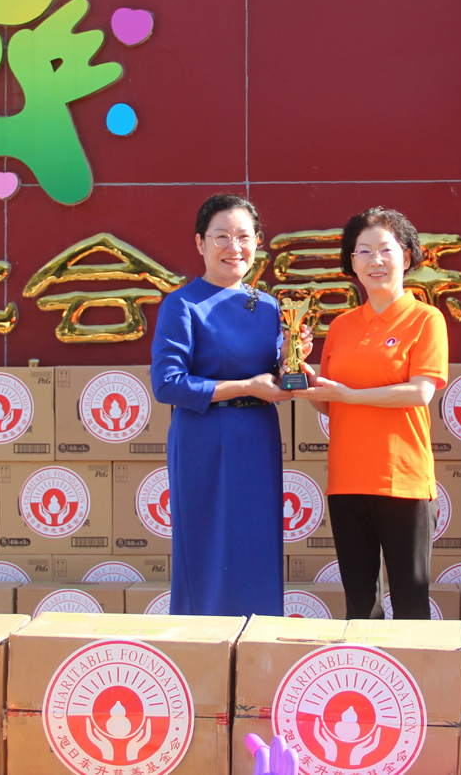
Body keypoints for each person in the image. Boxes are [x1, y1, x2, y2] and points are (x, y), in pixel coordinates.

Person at [293, 207, 449, 619]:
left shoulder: (426, 319)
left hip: (403, 480)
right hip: (347, 481)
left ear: (407, 256)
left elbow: (420, 392)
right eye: (363, 251)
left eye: (385, 249)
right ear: (352, 262)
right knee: (360, 607)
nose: (375, 261)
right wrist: (304, 379)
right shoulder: (341, 326)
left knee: (411, 605)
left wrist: (349, 394)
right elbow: (331, 403)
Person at [151, 194, 301, 616]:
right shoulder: (182, 304)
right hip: (203, 437)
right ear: (200, 242)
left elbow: (275, 373)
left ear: (257, 243)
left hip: (257, 435)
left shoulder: (266, 305)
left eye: (244, 237)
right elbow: (167, 384)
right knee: (207, 546)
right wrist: (245, 386)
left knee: (257, 542)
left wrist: (291, 358)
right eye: (221, 236)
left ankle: (259, 637)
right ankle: (202, 641)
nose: (234, 247)